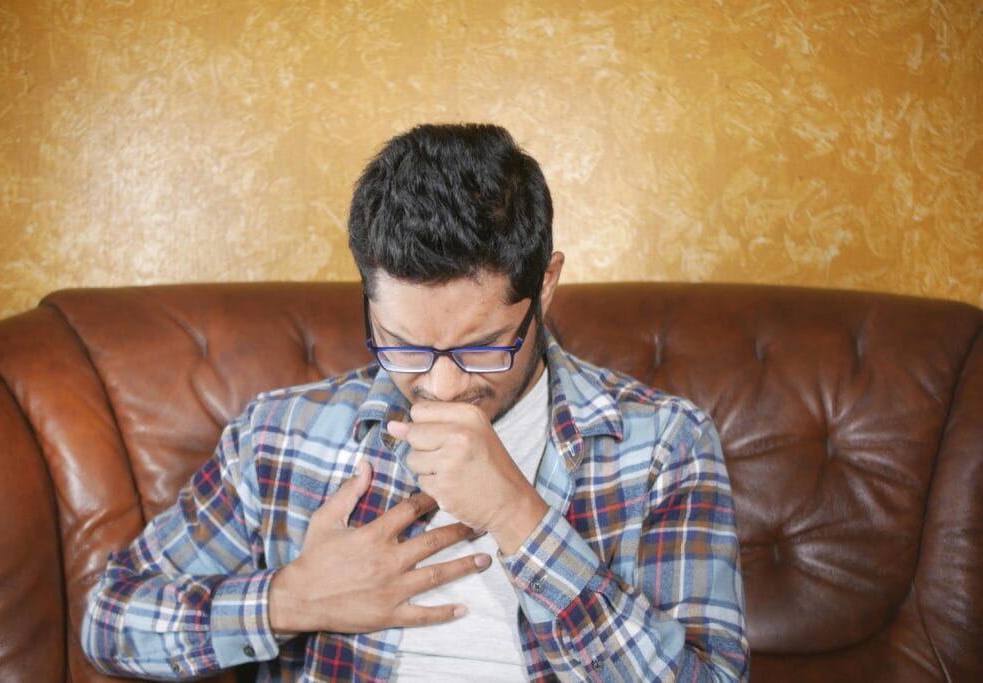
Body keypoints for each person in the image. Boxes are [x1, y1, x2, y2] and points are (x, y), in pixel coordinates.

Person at [81, 123, 749, 681]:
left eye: (483, 346)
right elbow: (111, 619)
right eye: (403, 344)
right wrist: (291, 598)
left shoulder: (663, 445)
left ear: (545, 287)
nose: (443, 386)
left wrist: (520, 517)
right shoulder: (280, 436)